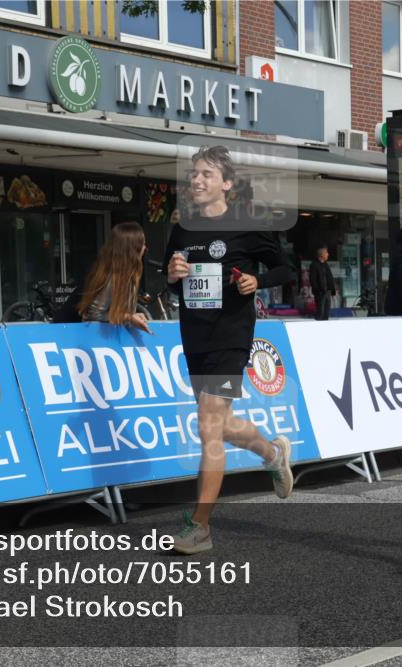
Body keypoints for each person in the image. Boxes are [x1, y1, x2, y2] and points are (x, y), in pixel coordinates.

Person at [165, 145, 297, 554]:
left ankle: (199, 526)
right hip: (195, 338)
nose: (197, 181)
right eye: (194, 174)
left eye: (206, 174)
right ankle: (273, 453)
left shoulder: (247, 225)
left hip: (231, 339)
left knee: (208, 426)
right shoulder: (183, 228)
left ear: (225, 183)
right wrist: (172, 274)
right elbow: (171, 282)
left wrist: (256, 281)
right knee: (220, 424)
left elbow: (285, 269)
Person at [74, 222, 152, 333]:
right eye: (142, 244)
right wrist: (128, 317)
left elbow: (116, 313)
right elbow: (94, 315)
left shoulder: (128, 275)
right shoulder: (111, 276)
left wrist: (132, 316)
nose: (145, 248)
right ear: (133, 249)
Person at [309, 246, 336, 320]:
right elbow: (313, 280)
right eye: (326, 253)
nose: (328, 254)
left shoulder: (326, 264)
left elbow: (329, 277)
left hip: (327, 291)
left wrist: (332, 291)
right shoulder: (314, 265)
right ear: (321, 254)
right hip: (320, 292)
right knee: (320, 312)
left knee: (326, 312)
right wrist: (318, 291)